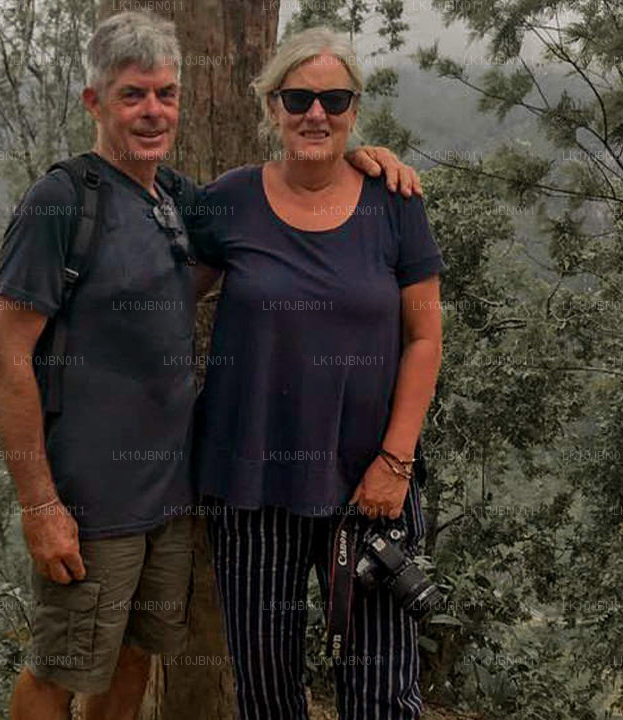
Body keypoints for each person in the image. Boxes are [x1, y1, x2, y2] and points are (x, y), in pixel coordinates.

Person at [0, 12, 421, 720]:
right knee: (62, 666)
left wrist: (367, 158)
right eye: (132, 95)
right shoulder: (63, 202)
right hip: (91, 494)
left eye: (166, 93)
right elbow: (7, 357)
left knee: (134, 655)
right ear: (94, 102)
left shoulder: (179, 201)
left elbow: (296, 209)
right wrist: (40, 504)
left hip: (171, 495)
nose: (152, 111)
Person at [190, 26, 445, 720]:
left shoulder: (395, 203)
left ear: (354, 109)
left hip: (371, 485)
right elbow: (159, 293)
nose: (316, 114)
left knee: (383, 692)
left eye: (334, 100)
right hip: (251, 487)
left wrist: (395, 462)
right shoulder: (230, 201)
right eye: (298, 98)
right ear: (272, 105)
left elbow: (425, 338)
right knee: (267, 693)